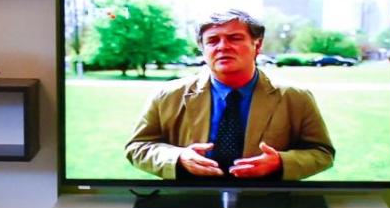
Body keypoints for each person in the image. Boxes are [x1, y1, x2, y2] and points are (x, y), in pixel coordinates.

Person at [124, 9, 335, 180]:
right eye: (212, 40)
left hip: (267, 205)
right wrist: (178, 158)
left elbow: (322, 153)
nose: (223, 47)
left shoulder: (295, 98)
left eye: (234, 38)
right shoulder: (167, 95)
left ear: (257, 45)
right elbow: (138, 147)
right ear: (202, 49)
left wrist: (281, 162)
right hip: (188, 203)